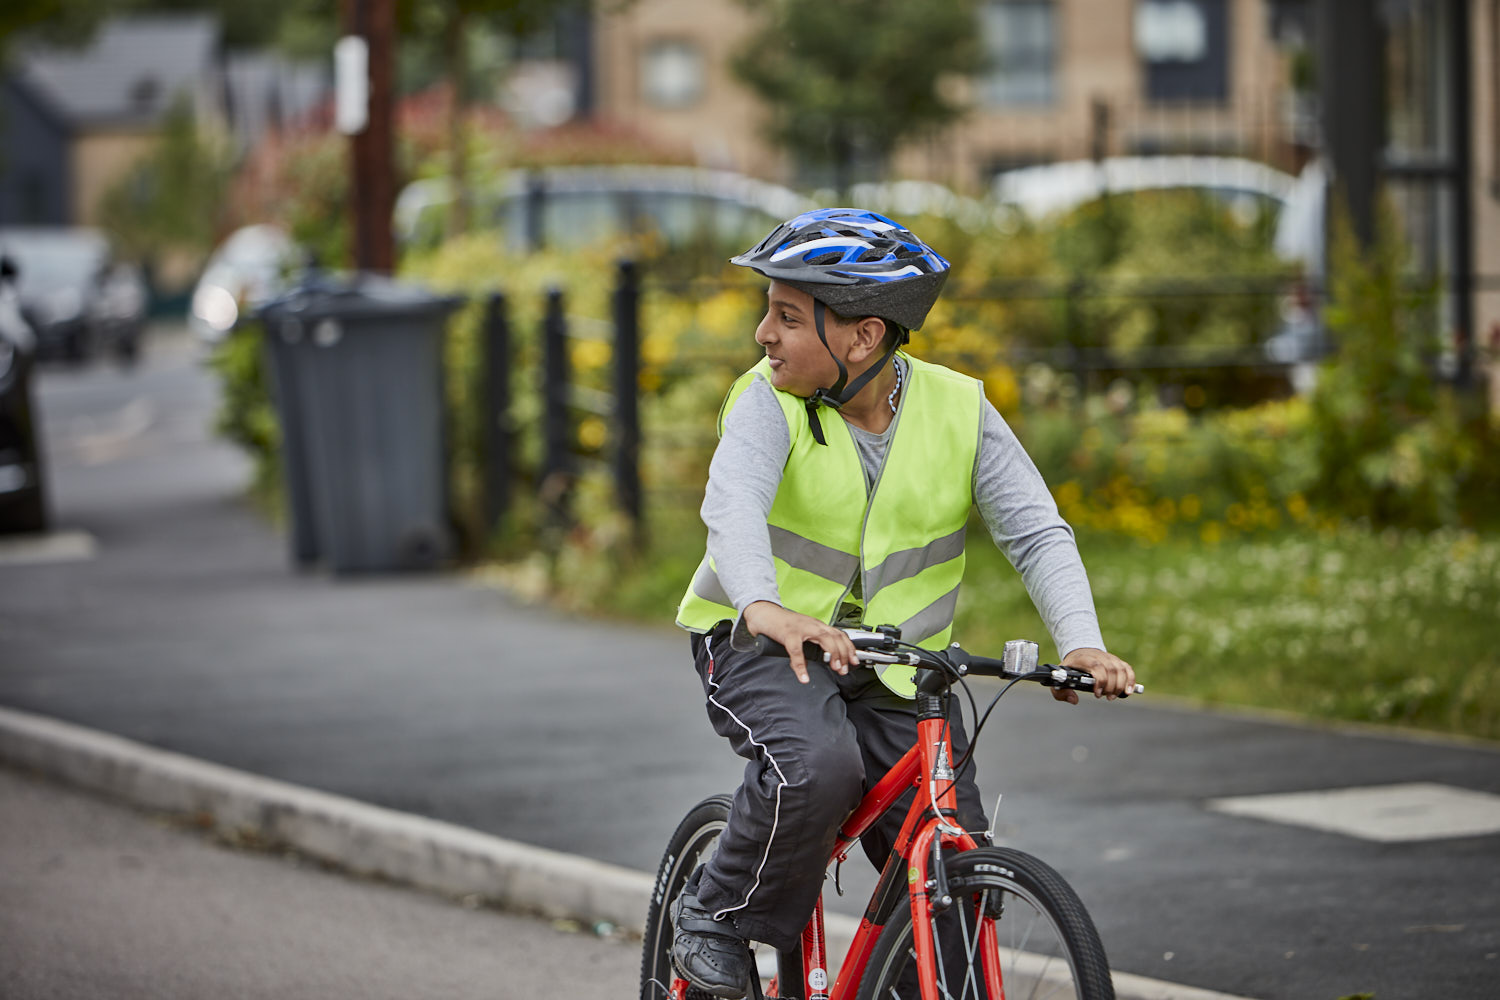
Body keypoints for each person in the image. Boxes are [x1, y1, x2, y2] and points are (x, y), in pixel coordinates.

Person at [672, 208, 1135, 998]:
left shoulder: (957, 409)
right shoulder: (764, 402)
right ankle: (715, 912)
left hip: (897, 667)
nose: (762, 334)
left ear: (862, 337)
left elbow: (1035, 530)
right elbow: (734, 508)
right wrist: (763, 604)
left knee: (954, 862)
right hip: (759, 643)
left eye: (787, 316)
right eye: (769, 313)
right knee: (817, 768)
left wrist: (1082, 642)